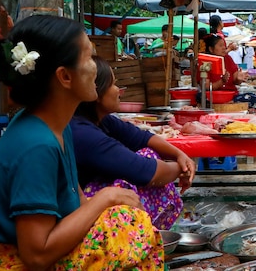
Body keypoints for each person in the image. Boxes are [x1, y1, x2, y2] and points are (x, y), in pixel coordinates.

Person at [0, 15, 163, 271]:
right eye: (87, 56)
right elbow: (37, 255)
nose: (97, 66)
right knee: (122, 223)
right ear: (64, 76)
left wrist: (106, 201)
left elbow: (76, 204)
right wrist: (107, 198)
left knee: (122, 214)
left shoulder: (57, 125)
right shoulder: (35, 143)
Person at [71, 57, 196, 230]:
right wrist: (181, 169)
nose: (119, 91)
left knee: (149, 153)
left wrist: (179, 155)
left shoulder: (102, 120)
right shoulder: (82, 133)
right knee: (146, 160)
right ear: (95, 92)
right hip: (80, 215)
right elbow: (146, 172)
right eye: (114, 84)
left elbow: (142, 137)